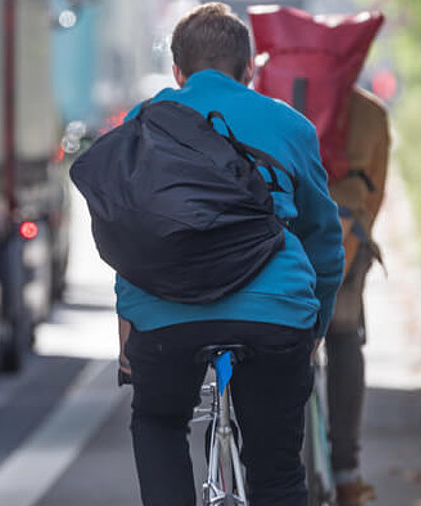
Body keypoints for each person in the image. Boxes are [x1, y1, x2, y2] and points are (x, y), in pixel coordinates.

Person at [114, 4, 345, 505]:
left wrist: (128, 327)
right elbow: (324, 241)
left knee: (157, 420)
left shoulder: (143, 122)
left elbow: (128, 235)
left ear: (178, 72)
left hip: (165, 315)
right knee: (278, 471)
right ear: (250, 70)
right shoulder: (290, 126)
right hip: (276, 312)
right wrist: (315, 328)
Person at [324, 86, 390, 506]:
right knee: (344, 338)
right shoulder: (370, 114)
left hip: (281, 252)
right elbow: (376, 194)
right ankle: (347, 473)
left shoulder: (270, 100)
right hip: (343, 246)